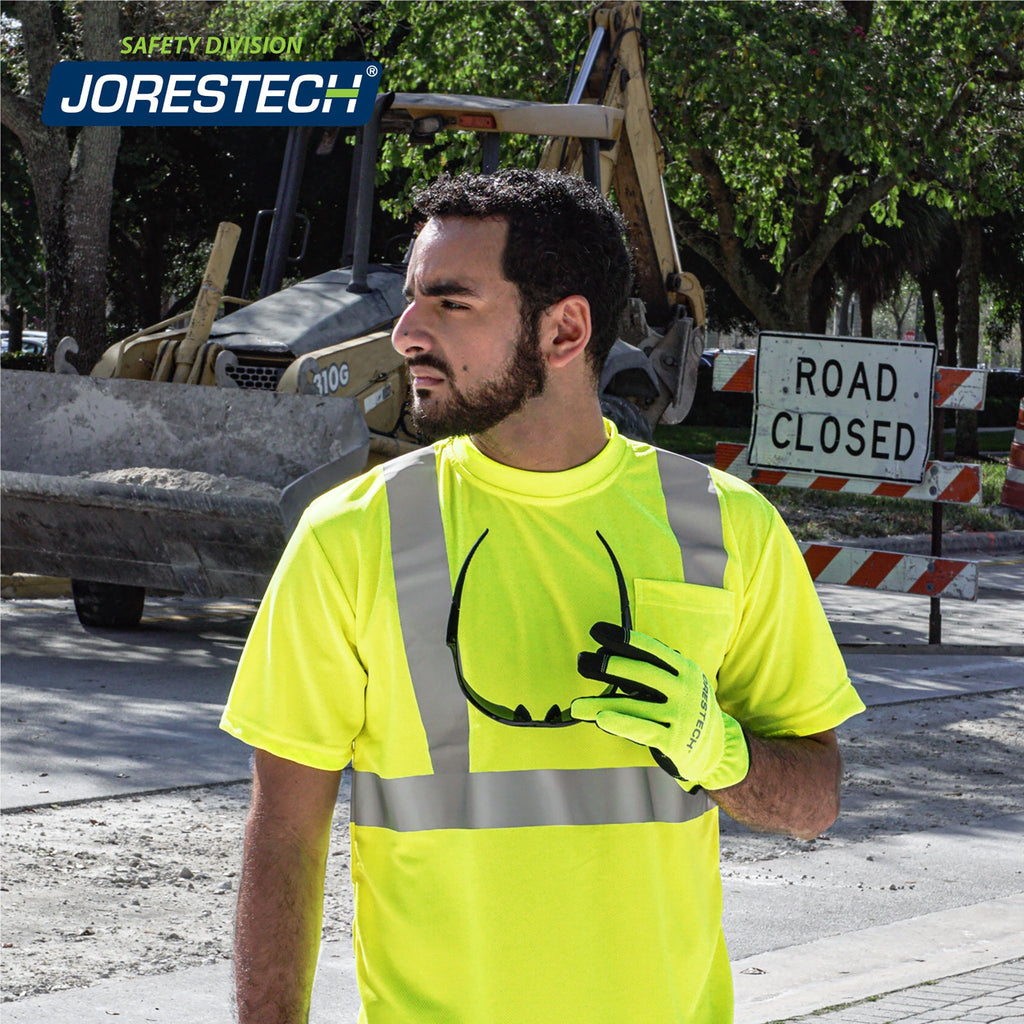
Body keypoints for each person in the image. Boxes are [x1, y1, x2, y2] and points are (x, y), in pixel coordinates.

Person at [221, 168, 865, 1024]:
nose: (406, 331)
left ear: (564, 331)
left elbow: (816, 802)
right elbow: (284, 839)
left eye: (451, 303)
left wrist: (722, 752)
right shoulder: (350, 536)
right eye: (412, 300)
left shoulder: (725, 526)